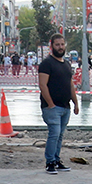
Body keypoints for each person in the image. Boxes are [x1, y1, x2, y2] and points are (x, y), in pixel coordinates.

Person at [39, 33, 79, 174]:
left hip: (65, 107)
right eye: (57, 44)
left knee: (60, 135)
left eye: (62, 44)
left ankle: (56, 159)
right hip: (52, 107)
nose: (60, 47)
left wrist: (75, 103)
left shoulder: (67, 64)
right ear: (52, 46)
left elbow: (70, 84)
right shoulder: (46, 64)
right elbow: (43, 85)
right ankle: (49, 162)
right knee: (54, 134)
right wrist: (50, 104)